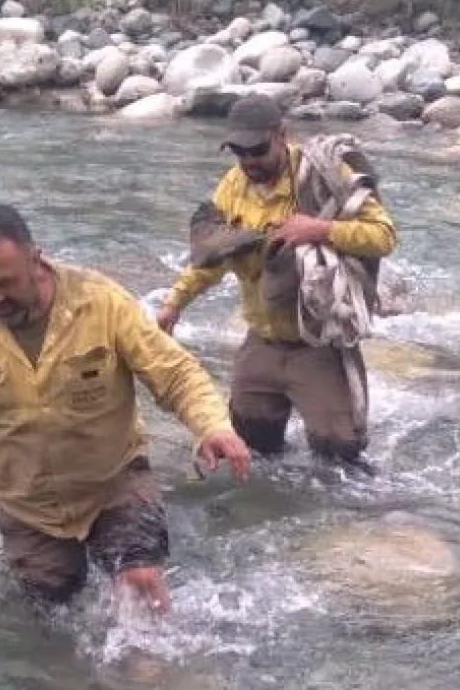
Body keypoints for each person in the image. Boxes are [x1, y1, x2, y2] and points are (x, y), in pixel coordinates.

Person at [0, 204, 251, 612]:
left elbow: (175, 373)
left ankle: (153, 673)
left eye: (5, 282)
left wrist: (212, 427)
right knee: (50, 613)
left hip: (114, 483)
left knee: (140, 586)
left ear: (35, 258)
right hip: (29, 506)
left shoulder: (98, 300)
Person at [155, 95, 398, 470]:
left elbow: (383, 235)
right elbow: (214, 256)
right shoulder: (233, 185)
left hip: (318, 343)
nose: (249, 161)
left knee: (341, 460)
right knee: (250, 450)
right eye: (239, 151)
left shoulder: (322, 176)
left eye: (257, 150)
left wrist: (320, 229)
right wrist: (174, 303)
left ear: (282, 135)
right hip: (262, 341)